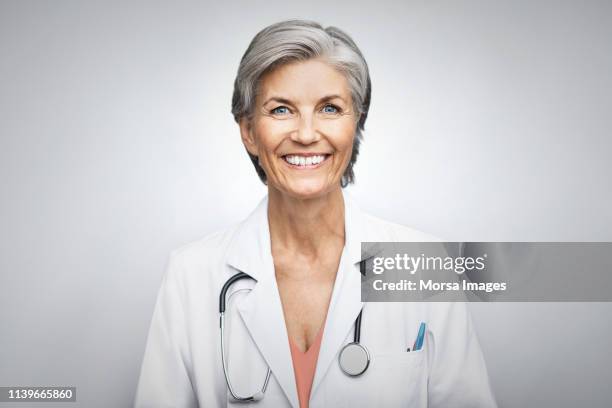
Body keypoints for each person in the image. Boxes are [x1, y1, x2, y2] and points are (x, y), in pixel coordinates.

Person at [134, 19, 497, 408]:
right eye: (281, 110)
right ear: (249, 132)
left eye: (329, 108)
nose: (306, 134)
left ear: (355, 123)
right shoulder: (191, 275)